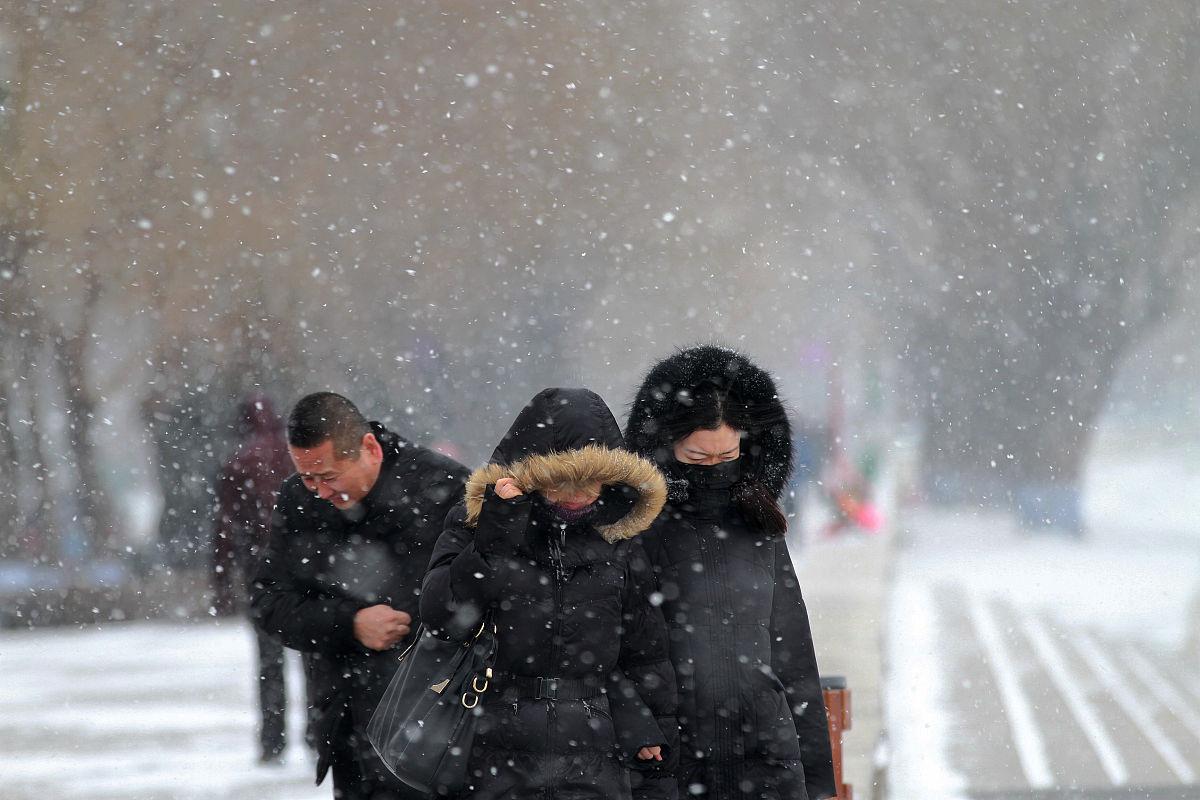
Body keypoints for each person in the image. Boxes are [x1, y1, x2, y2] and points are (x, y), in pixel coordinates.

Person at [420, 387, 679, 800]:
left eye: (591, 480)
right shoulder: (480, 520)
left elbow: (642, 651)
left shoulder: (618, 535)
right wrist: (499, 527)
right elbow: (444, 614)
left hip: (596, 754)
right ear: (533, 475)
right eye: (562, 481)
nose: (578, 496)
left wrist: (649, 738)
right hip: (494, 747)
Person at [625, 346, 837, 800]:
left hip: (766, 760)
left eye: (727, 456)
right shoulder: (635, 532)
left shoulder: (760, 527)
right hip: (669, 763)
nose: (713, 470)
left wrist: (819, 784)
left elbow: (795, 660)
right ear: (664, 447)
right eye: (697, 457)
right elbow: (612, 653)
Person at [252, 392, 468, 800]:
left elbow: (492, 598)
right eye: (307, 477)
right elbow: (269, 603)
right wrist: (350, 623)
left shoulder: (443, 489)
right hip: (347, 723)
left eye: (329, 476)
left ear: (369, 448)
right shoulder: (300, 502)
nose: (318, 491)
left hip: (438, 719)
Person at [213, 393, 295, 763]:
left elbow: (226, 527)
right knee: (315, 652)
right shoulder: (296, 454)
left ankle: (273, 739)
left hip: (259, 571)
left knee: (269, 660)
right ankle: (317, 733)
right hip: (303, 569)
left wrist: (221, 581)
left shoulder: (239, 461)